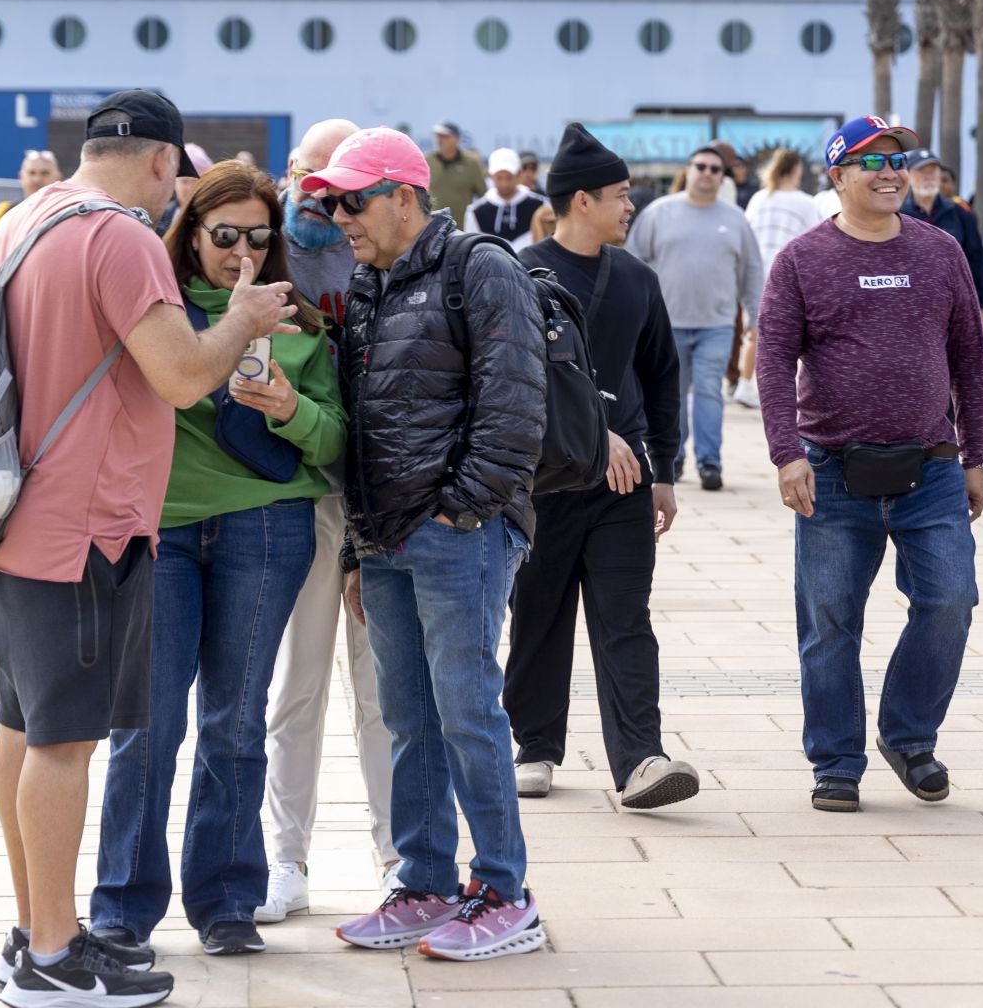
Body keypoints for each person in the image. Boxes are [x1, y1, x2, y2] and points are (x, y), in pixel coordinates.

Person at [0, 90, 296, 1008]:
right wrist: (245, 318)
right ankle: (50, 956)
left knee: (22, 730)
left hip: (15, 514)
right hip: (87, 527)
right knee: (66, 745)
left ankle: (38, 928)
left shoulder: (26, 221)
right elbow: (187, 376)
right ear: (164, 163)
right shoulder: (117, 237)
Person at [93, 162, 346, 958]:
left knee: (234, 721)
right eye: (223, 236)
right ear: (191, 234)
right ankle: (123, 907)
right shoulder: (152, 310)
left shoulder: (299, 323)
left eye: (258, 238)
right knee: (145, 723)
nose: (240, 254)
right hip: (160, 532)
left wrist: (290, 408)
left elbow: (338, 441)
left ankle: (228, 900)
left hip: (266, 529)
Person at [308, 129, 549, 962]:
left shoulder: (479, 266)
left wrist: (463, 509)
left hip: (458, 537)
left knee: (467, 713)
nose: (339, 217)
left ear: (403, 195)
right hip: (383, 539)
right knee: (408, 716)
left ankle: (505, 893)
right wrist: (355, 548)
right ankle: (424, 882)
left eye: (351, 200)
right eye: (331, 203)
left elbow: (516, 401)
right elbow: (362, 421)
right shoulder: (368, 282)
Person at [756, 115, 983, 814]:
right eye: (871, 162)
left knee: (951, 601)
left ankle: (910, 736)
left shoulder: (941, 251)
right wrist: (785, 455)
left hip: (932, 470)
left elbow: (969, 362)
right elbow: (771, 361)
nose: (891, 172)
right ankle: (836, 763)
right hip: (831, 472)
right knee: (830, 623)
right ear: (837, 178)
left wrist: (976, 455)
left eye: (899, 159)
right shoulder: (802, 259)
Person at [504, 124, 697, 808]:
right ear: (580, 200)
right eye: (620, 195)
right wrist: (586, 436)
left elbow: (663, 376)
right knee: (538, 612)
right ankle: (534, 744)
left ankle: (641, 758)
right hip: (542, 483)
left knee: (626, 618)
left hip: (624, 487)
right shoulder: (518, 272)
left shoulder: (637, 279)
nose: (630, 206)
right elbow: (508, 379)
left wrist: (665, 471)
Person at [257, 120, 402, 928]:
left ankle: (395, 855)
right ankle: (288, 856)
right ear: (290, 173)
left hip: (377, 497)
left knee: (382, 692)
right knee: (297, 685)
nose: (325, 202)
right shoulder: (266, 253)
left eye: (342, 190)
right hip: (302, 494)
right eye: (311, 181)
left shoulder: (378, 247)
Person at [627, 144, 763, 492]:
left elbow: (750, 268)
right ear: (687, 170)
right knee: (669, 395)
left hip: (716, 325)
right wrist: (634, 314)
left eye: (715, 169)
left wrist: (755, 317)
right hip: (666, 325)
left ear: (722, 177)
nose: (707, 173)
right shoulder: (658, 213)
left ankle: (710, 462)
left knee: (707, 392)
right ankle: (671, 458)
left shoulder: (734, 219)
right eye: (700, 166)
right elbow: (632, 262)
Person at [736, 148, 823, 409]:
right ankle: (786, 392)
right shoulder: (806, 202)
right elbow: (817, 240)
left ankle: (744, 383)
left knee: (755, 332)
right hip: (789, 277)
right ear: (796, 170)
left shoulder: (759, 198)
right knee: (793, 338)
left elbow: (746, 235)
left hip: (754, 274)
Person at [902, 151, 983, 336]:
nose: (928, 177)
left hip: (954, 306)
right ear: (909, 176)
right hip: (910, 307)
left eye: (933, 171)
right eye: (922, 171)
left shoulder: (960, 214)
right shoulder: (898, 215)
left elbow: (976, 259)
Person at [467, 147, 549, 248]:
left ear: (518, 174)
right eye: (499, 178)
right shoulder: (475, 211)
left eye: (509, 177)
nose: (504, 183)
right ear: (491, 176)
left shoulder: (541, 205)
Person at [0, 150, 63, 244]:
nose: (37, 179)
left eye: (45, 173)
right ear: (21, 177)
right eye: (31, 173)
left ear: (58, 177)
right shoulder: (3, 212)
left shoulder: (66, 213)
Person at [426, 121, 488, 229]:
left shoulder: (471, 164)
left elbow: (484, 197)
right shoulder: (427, 161)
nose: (439, 140)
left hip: (462, 231)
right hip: (432, 230)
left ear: (457, 139)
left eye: (444, 136)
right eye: (438, 136)